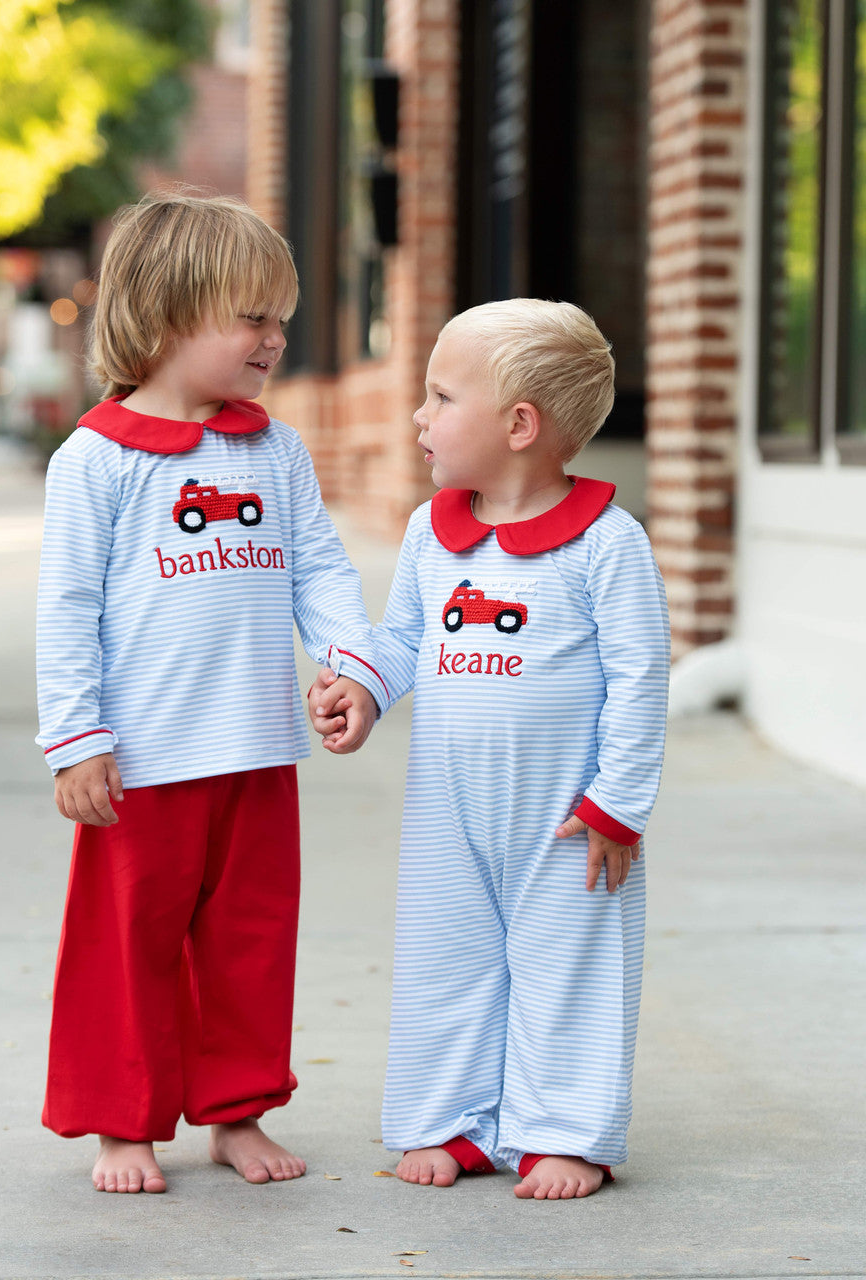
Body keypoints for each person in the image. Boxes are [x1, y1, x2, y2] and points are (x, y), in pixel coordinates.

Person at [36, 190, 387, 1194]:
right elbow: (65, 611)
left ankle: (236, 1107)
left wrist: (350, 664)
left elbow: (318, 567)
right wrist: (75, 737)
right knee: (128, 944)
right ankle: (122, 1120)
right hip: (141, 758)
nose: (277, 338)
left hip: (257, 748)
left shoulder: (272, 449)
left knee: (249, 939)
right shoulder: (94, 461)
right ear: (164, 315)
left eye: (284, 318)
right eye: (254, 318)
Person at [309, 298, 670, 1200]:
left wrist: (618, 804)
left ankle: (566, 1131)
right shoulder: (435, 532)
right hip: (451, 811)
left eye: (440, 397)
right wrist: (362, 683)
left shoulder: (607, 547)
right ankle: (452, 1122)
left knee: (568, 969)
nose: (419, 417)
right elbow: (405, 639)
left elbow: (641, 680)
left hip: (568, 819)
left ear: (519, 425)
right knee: (447, 961)